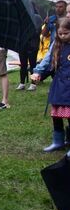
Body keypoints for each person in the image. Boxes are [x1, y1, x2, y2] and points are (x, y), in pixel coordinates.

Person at [32, 18, 70, 151]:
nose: (63, 36)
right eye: (60, 34)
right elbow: (47, 61)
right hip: (59, 86)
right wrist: (38, 72)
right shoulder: (56, 45)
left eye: (66, 33)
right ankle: (58, 141)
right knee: (56, 115)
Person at [16, 10, 43, 91]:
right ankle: (22, 83)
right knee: (23, 64)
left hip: (32, 44)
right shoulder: (22, 17)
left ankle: (33, 84)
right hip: (23, 45)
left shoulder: (37, 17)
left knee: (33, 65)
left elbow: (38, 30)